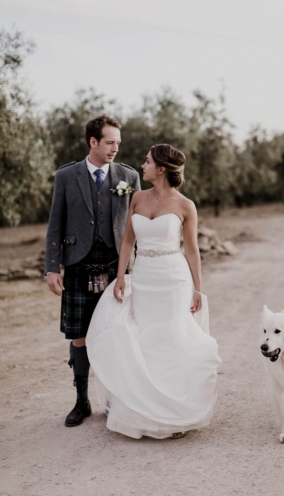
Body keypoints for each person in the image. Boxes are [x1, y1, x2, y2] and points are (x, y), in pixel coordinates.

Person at [85, 144, 221, 439]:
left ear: (161, 169)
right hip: (144, 277)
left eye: (147, 162)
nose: (142, 166)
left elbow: (192, 250)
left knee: (171, 339)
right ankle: (145, 407)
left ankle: (175, 411)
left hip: (174, 280)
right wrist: (120, 276)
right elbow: (127, 241)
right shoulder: (137, 197)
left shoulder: (186, 205)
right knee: (146, 338)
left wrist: (198, 289)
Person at [44, 115, 141, 427]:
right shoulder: (66, 176)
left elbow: (137, 225)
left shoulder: (129, 176)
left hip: (116, 268)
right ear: (93, 142)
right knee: (79, 336)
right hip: (77, 265)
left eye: (118, 143)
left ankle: (116, 400)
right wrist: (51, 268)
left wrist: (139, 266)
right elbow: (55, 223)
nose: (115, 148)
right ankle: (81, 401)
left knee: (117, 333)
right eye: (110, 142)